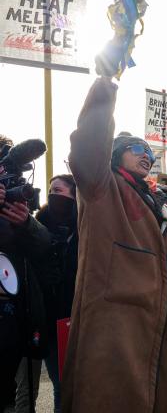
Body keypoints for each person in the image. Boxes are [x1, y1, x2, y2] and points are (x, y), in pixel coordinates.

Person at [63, 78, 167, 412]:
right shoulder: (102, 187)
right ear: (115, 155)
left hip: (161, 345)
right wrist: (106, 83)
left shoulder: (162, 205)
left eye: (150, 152)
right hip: (116, 343)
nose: (147, 155)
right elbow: (89, 146)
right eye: (138, 149)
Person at [0, 136, 51, 412]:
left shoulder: (18, 210)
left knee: (21, 393)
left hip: (21, 314)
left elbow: (44, 245)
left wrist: (26, 223)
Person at [24, 174, 78, 413]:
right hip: (42, 319)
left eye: (59, 190)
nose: (53, 195)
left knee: (71, 387)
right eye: (51, 190)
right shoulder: (35, 226)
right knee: (46, 387)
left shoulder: (84, 230)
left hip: (73, 319)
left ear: (74, 196)